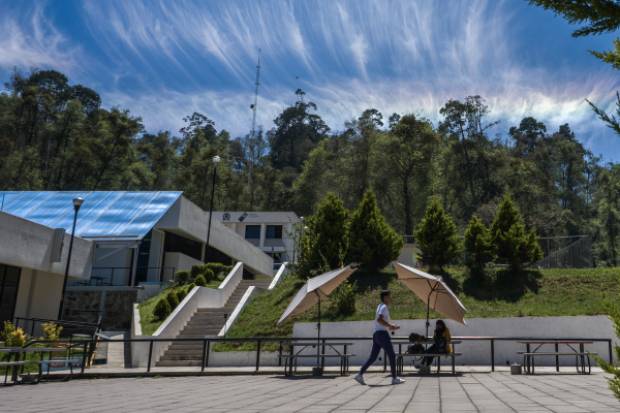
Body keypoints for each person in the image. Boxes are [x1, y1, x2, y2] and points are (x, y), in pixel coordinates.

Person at [354, 290, 405, 385]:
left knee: (373, 357)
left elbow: (380, 321)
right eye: (389, 296)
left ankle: (359, 375)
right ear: (385, 297)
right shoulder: (384, 307)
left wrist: (390, 325)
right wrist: (390, 326)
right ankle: (394, 378)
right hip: (382, 335)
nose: (390, 298)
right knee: (392, 355)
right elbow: (379, 319)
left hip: (376, 334)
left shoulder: (379, 306)